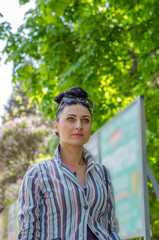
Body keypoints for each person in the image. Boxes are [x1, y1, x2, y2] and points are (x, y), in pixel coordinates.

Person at [18, 87, 120, 240]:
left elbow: (110, 227)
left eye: (85, 120)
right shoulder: (37, 174)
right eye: (71, 119)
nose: (79, 125)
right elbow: (28, 233)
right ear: (56, 126)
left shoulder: (102, 173)